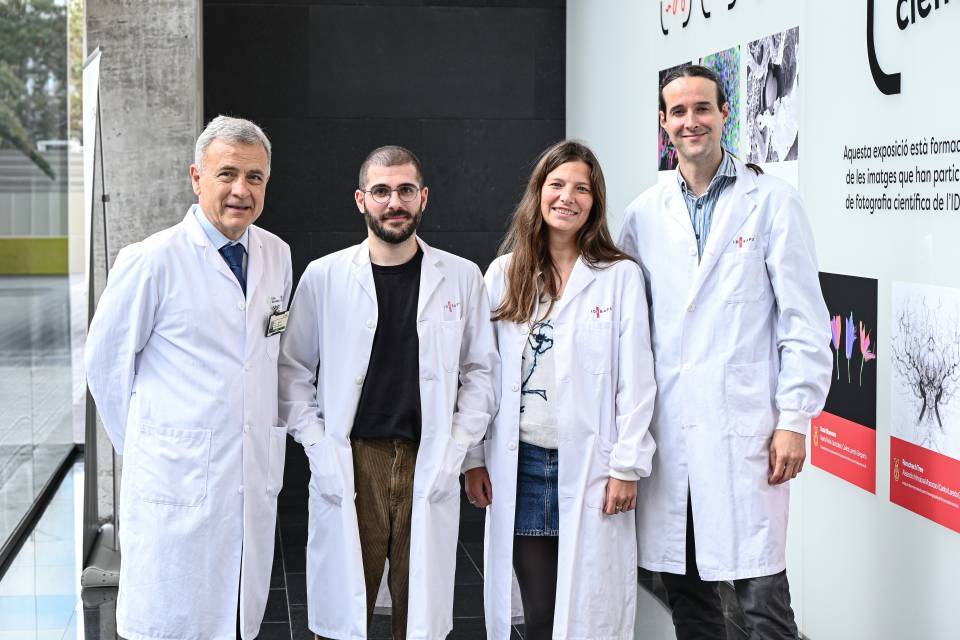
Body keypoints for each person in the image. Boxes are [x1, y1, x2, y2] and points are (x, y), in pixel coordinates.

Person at [618, 65, 832, 639]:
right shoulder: (643, 214)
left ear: (724, 114)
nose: (691, 121)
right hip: (672, 436)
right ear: (664, 123)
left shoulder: (773, 203)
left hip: (746, 432)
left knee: (763, 603)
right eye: (679, 112)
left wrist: (794, 419)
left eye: (702, 109)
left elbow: (804, 322)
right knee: (689, 600)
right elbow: (631, 328)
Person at [278, 145, 499, 640]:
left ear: (423, 198)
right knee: (344, 613)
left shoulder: (461, 276)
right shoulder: (325, 275)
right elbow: (292, 371)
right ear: (361, 200)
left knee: (418, 613)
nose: (393, 201)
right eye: (381, 191)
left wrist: (458, 449)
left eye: (404, 190)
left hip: (429, 452)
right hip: (354, 456)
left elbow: (482, 373)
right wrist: (317, 446)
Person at [84, 115, 292, 640]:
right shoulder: (151, 260)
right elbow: (105, 366)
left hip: (246, 477)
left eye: (255, 177)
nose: (240, 191)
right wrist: (151, 450)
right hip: (174, 483)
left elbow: (267, 359)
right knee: (171, 622)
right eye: (226, 175)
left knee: (236, 617)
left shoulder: (277, 255)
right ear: (196, 177)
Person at [464, 140, 657, 640]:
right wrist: (473, 458)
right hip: (522, 465)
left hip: (596, 465)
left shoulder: (619, 277)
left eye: (581, 189)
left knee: (591, 609)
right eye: (557, 185)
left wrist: (627, 467)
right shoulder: (505, 275)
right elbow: (479, 374)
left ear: (595, 202)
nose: (567, 197)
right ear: (538, 193)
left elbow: (636, 381)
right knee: (541, 612)